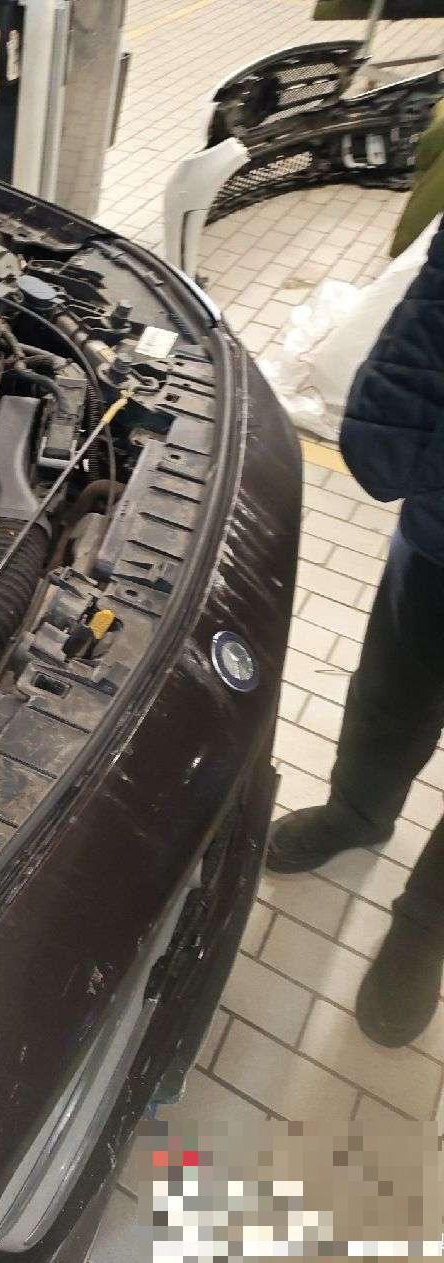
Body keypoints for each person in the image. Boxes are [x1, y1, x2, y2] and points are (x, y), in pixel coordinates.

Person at [267, 217, 444, 1049]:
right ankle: (358, 812)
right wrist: (396, 434)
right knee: (388, 699)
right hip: (441, 542)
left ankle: (425, 926)